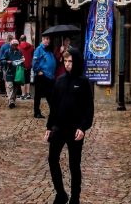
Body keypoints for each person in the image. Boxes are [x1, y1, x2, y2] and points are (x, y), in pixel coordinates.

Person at [45, 47, 94, 204]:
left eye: (70, 61)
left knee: (74, 165)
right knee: (52, 159)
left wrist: (83, 127)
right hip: (58, 128)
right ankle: (61, 193)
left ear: (77, 62)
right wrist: (49, 127)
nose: (67, 64)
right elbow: (53, 106)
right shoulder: (59, 81)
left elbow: (88, 108)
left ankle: (75, 198)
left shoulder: (83, 82)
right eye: (65, 61)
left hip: (75, 130)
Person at [33, 34, 57, 119]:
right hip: (41, 76)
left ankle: (54, 112)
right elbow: (35, 62)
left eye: (48, 39)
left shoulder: (49, 51)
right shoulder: (39, 49)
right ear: (42, 40)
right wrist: (38, 71)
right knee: (38, 95)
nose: (47, 40)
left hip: (49, 76)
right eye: (46, 39)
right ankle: (36, 112)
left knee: (50, 95)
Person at [1, 37, 24, 109]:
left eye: (16, 45)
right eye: (13, 45)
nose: (15, 46)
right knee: (10, 86)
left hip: (17, 72)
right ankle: (11, 101)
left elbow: (22, 59)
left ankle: (12, 100)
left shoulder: (19, 52)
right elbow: (2, 60)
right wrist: (7, 62)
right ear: (11, 45)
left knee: (16, 87)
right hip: (9, 71)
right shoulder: (7, 52)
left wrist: (22, 61)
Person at [18, 34, 34, 100]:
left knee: (22, 80)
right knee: (27, 80)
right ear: (25, 39)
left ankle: (23, 94)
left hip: (22, 65)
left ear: (20, 39)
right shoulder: (31, 47)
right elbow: (33, 55)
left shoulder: (18, 47)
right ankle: (28, 94)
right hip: (29, 65)